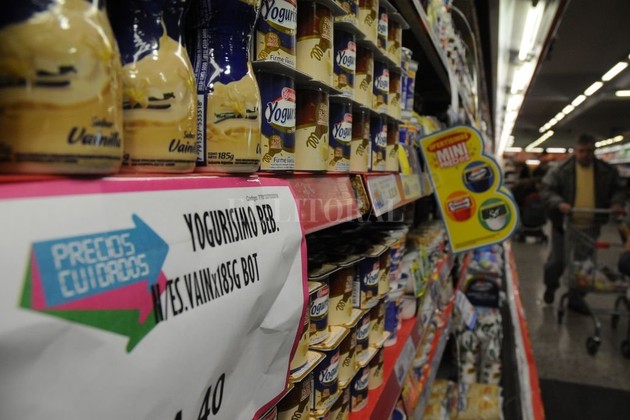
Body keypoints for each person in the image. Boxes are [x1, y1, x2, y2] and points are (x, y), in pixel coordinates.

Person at [540, 134, 626, 313]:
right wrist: (559, 203)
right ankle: (551, 286)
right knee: (558, 261)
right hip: (564, 224)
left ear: (594, 151)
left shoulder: (607, 171)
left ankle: (576, 298)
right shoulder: (561, 170)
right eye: (581, 151)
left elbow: (618, 190)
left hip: (591, 225)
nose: (585, 155)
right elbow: (547, 190)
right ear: (575, 151)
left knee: (584, 265)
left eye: (589, 151)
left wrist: (616, 203)